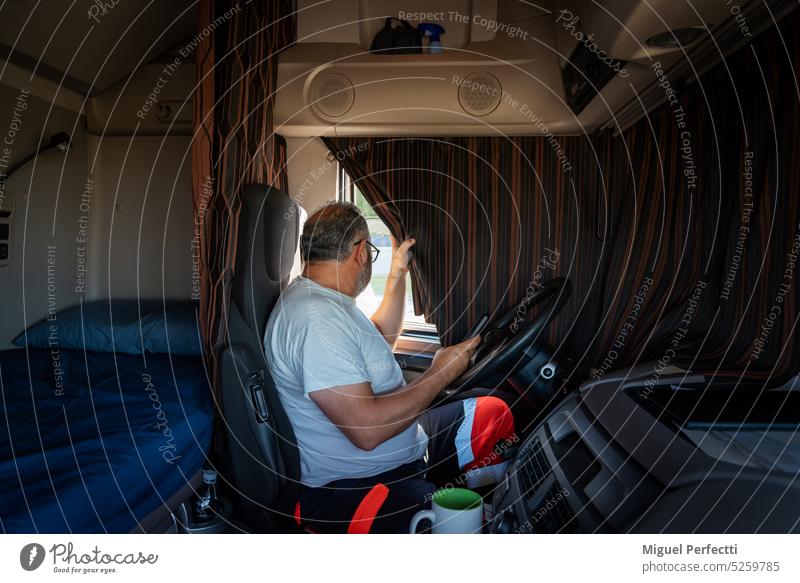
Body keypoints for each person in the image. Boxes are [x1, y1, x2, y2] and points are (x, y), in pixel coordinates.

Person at [264, 201, 515, 533]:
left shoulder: (327, 301)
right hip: (358, 481)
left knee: (492, 415)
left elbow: (378, 340)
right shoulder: (316, 320)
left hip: (405, 445)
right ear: (361, 253)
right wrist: (440, 373)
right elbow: (367, 432)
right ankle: (464, 508)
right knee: (452, 528)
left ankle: (458, 492)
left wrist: (397, 273)